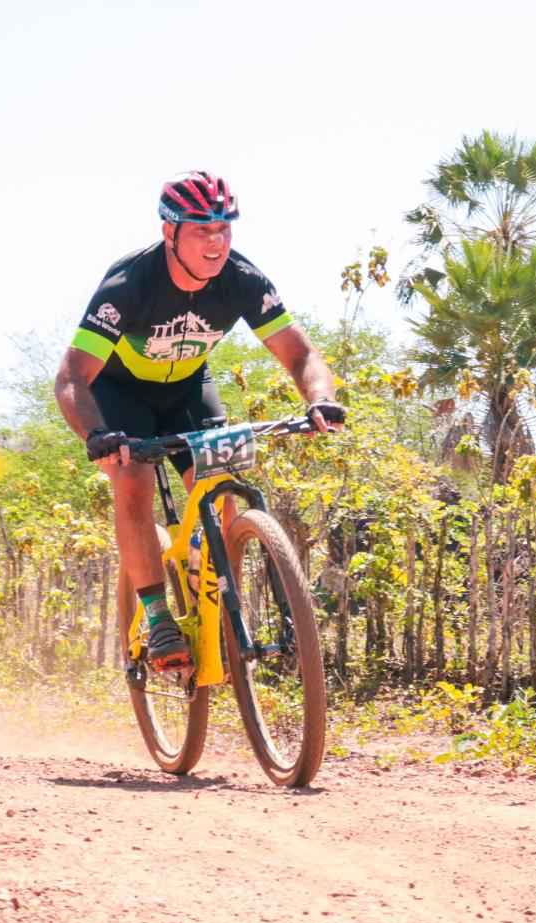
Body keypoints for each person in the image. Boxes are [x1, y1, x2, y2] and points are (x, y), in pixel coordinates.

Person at [54, 170, 343, 671]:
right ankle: (159, 616)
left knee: (226, 493)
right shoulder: (129, 285)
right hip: (120, 394)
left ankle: (209, 595)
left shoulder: (243, 281)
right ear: (170, 233)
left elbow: (301, 355)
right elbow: (73, 375)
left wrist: (320, 399)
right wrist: (97, 434)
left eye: (224, 228)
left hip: (187, 390)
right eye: (201, 230)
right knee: (132, 480)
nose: (216, 242)